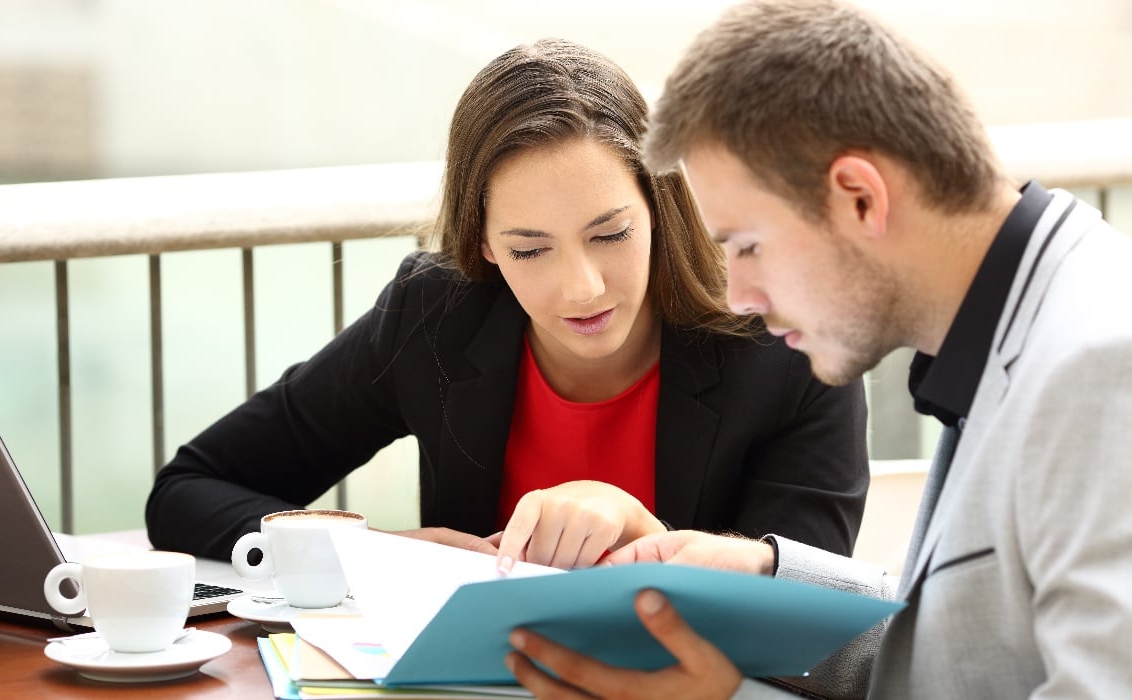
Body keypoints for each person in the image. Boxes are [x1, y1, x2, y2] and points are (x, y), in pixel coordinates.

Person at [505, 1, 1132, 698]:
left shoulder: (1101, 369)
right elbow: (972, 648)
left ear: (860, 198)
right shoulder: (1040, 316)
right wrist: (760, 584)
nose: (738, 293)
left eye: (747, 246)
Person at [145, 38, 869, 572]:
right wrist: (362, 551)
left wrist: (644, 533)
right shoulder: (433, 318)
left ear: (659, 207)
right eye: (529, 250)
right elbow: (189, 490)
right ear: (484, 245)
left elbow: (814, 605)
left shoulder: (787, 343)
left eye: (610, 234)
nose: (581, 286)